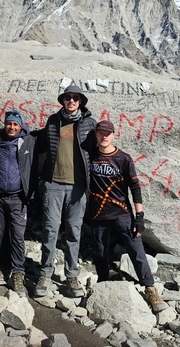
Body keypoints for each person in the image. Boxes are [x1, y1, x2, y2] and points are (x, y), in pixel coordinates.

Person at [88, 120, 168, 312]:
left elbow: (135, 188)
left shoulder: (123, 159)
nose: (104, 136)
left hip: (122, 214)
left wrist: (139, 216)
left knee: (137, 251)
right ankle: (103, 281)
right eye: (101, 133)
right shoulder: (89, 156)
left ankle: (150, 289)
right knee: (100, 251)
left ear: (114, 135)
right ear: (96, 135)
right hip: (98, 214)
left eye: (108, 133)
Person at [35, 85, 97, 298]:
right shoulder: (53, 120)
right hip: (53, 184)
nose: (71, 101)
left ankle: (72, 275)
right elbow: (40, 142)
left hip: (78, 187)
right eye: (68, 98)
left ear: (81, 101)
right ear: (63, 101)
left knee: (73, 232)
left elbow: (98, 151)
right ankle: (45, 273)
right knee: (50, 230)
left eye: (75, 98)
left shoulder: (89, 123)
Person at [0, 110, 38, 296]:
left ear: (20, 126)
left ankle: (18, 273)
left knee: (17, 236)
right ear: (4, 124)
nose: (12, 127)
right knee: (1, 234)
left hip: (18, 197)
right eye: (9, 124)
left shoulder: (29, 141)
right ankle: (4, 267)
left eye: (16, 124)